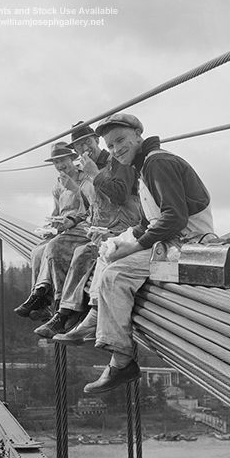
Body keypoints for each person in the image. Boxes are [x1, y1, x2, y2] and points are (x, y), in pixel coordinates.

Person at [81, 113, 214, 394]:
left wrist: (135, 246)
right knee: (109, 255)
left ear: (138, 136)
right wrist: (118, 239)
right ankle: (96, 322)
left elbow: (174, 218)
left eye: (121, 141)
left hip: (187, 245)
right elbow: (147, 222)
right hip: (172, 241)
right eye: (111, 145)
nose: (116, 149)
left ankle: (122, 361)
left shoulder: (157, 164)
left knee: (115, 276)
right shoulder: (145, 167)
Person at [34, 122, 142, 338]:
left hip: (124, 230)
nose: (84, 148)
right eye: (79, 146)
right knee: (54, 249)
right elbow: (93, 205)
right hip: (99, 229)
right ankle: (58, 307)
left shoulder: (116, 161)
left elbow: (120, 196)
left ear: (96, 140)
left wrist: (94, 175)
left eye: (87, 142)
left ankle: (65, 314)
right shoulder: (84, 169)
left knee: (80, 253)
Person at [14, 141, 93, 318]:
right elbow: (56, 211)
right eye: (56, 162)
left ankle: (53, 298)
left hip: (81, 227)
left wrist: (74, 189)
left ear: (72, 159)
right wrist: (50, 225)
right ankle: (39, 299)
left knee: (53, 247)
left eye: (63, 160)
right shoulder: (57, 185)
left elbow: (92, 209)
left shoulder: (85, 179)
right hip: (63, 229)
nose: (60, 166)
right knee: (37, 252)